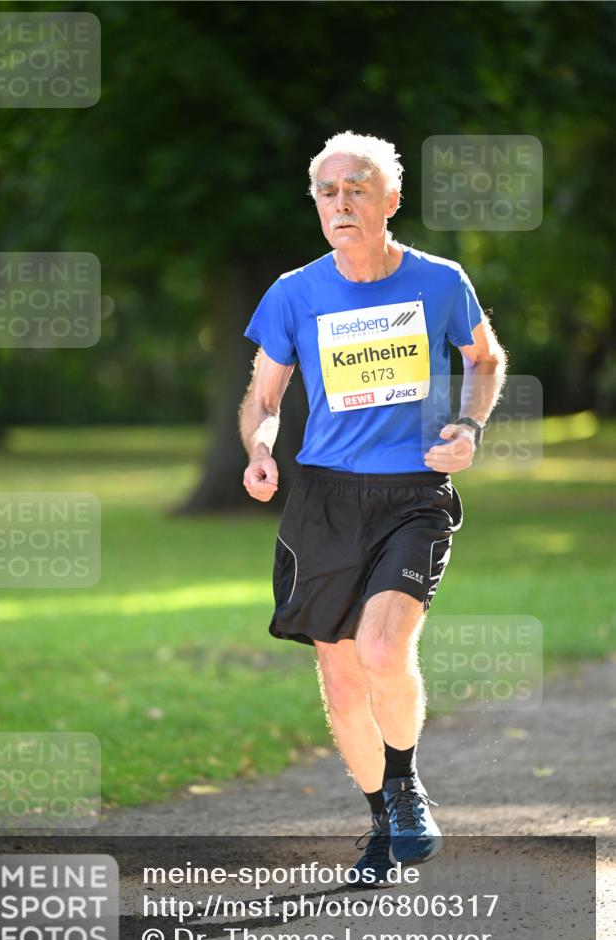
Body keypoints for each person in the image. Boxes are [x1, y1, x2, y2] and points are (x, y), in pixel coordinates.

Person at [238, 131, 507, 878]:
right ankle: (380, 823)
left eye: (356, 187)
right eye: (327, 191)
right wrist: (260, 450)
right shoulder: (293, 294)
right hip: (322, 498)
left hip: (411, 494)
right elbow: (263, 399)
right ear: (317, 206)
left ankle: (403, 783)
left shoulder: (439, 281)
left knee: (384, 650)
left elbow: (482, 358)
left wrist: (468, 424)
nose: (341, 202)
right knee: (340, 677)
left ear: (390, 200)